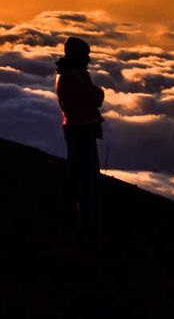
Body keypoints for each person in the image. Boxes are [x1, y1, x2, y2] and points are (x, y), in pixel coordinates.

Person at [55, 36, 105, 232]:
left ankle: (76, 215)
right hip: (82, 128)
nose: (88, 59)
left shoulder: (63, 73)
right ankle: (84, 221)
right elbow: (94, 97)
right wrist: (99, 93)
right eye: (85, 55)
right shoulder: (74, 74)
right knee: (87, 176)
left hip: (74, 126)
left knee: (78, 173)